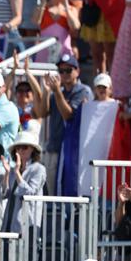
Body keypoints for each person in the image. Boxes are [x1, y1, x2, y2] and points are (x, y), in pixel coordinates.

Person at [26, 53, 92, 191]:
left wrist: (56, 92)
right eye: (61, 71)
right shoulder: (58, 91)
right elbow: (42, 113)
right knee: (52, 194)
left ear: (77, 71)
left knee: (68, 194)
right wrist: (46, 91)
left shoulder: (83, 91)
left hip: (72, 152)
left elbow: (68, 115)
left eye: (68, 70)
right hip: (54, 149)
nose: (64, 74)